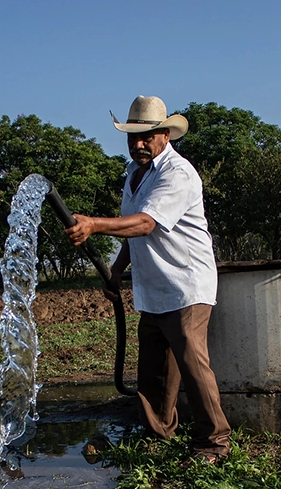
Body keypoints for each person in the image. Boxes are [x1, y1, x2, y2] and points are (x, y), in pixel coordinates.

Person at [65, 95, 230, 463]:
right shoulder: (134, 174)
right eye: (133, 137)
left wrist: (94, 225)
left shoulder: (177, 173)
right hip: (155, 287)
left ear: (166, 135)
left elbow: (146, 223)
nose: (138, 144)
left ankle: (214, 443)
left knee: (192, 365)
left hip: (185, 284)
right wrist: (117, 269)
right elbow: (134, 232)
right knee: (155, 371)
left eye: (147, 137)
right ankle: (159, 434)